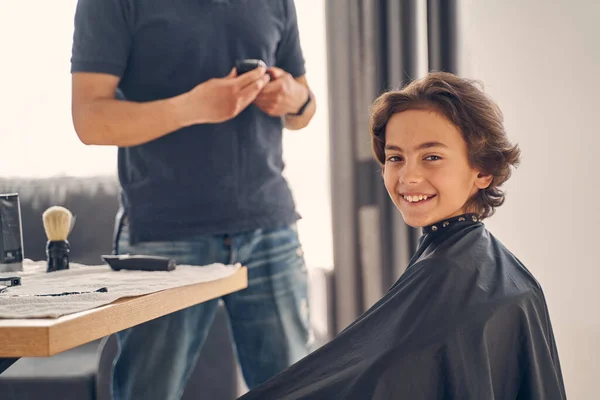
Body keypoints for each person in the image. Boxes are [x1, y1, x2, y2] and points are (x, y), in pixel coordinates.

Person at [238, 72, 567, 399]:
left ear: (482, 170)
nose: (408, 176)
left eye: (432, 157)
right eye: (395, 158)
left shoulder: (453, 277)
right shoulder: (492, 268)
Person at [69, 1, 316, 399]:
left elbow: (305, 106)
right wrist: (193, 107)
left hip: (270, 228)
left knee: (299, 391)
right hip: (162, 237)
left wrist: (294, 99)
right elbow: (89, 119)